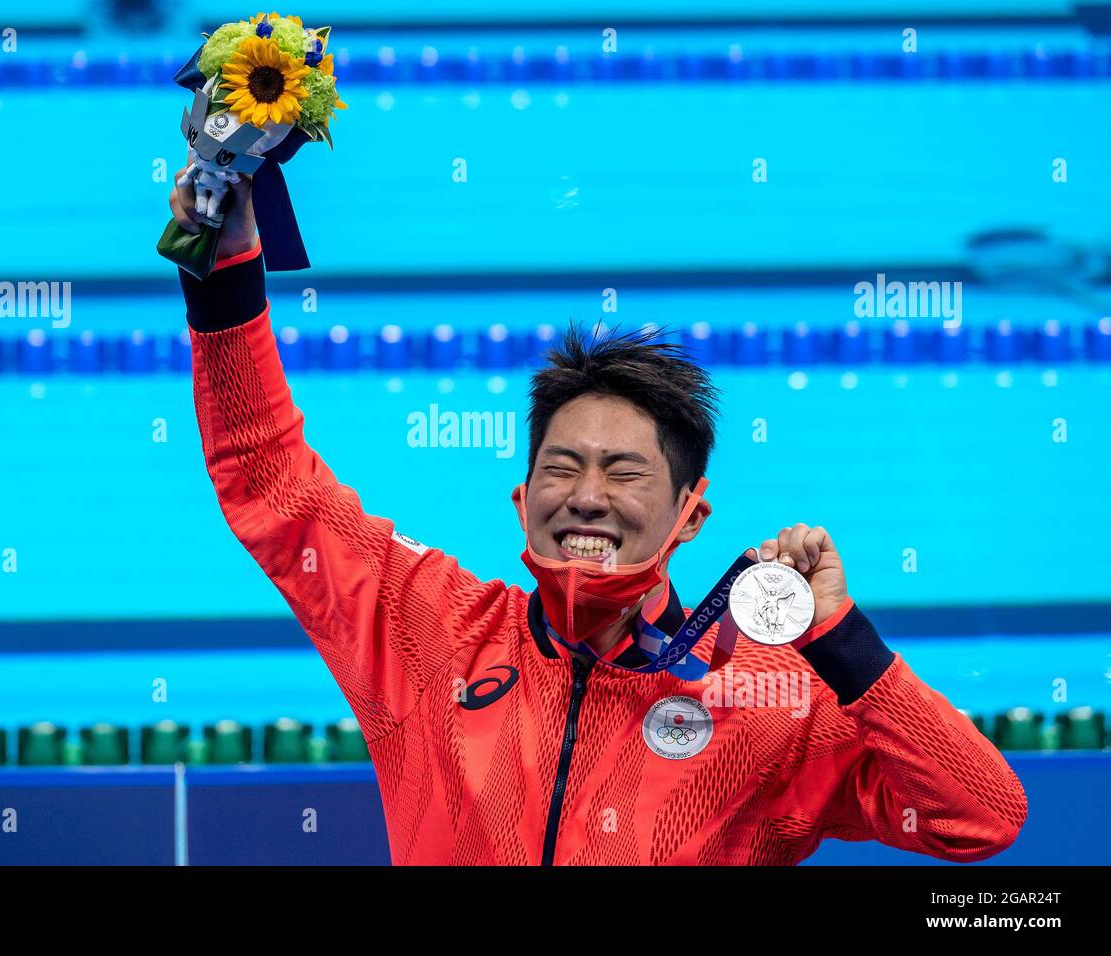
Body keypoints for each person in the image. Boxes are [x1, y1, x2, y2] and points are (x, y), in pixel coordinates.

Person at [168, 170, 1027, 865]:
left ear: (691, 516)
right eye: (562, 467)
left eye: (624, 473)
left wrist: (841, 640)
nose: (586, 495)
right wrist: (228, 265)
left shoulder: (771, 701)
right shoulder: (425, 628)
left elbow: (981, 817)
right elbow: (268, 479)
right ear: (522, 499)